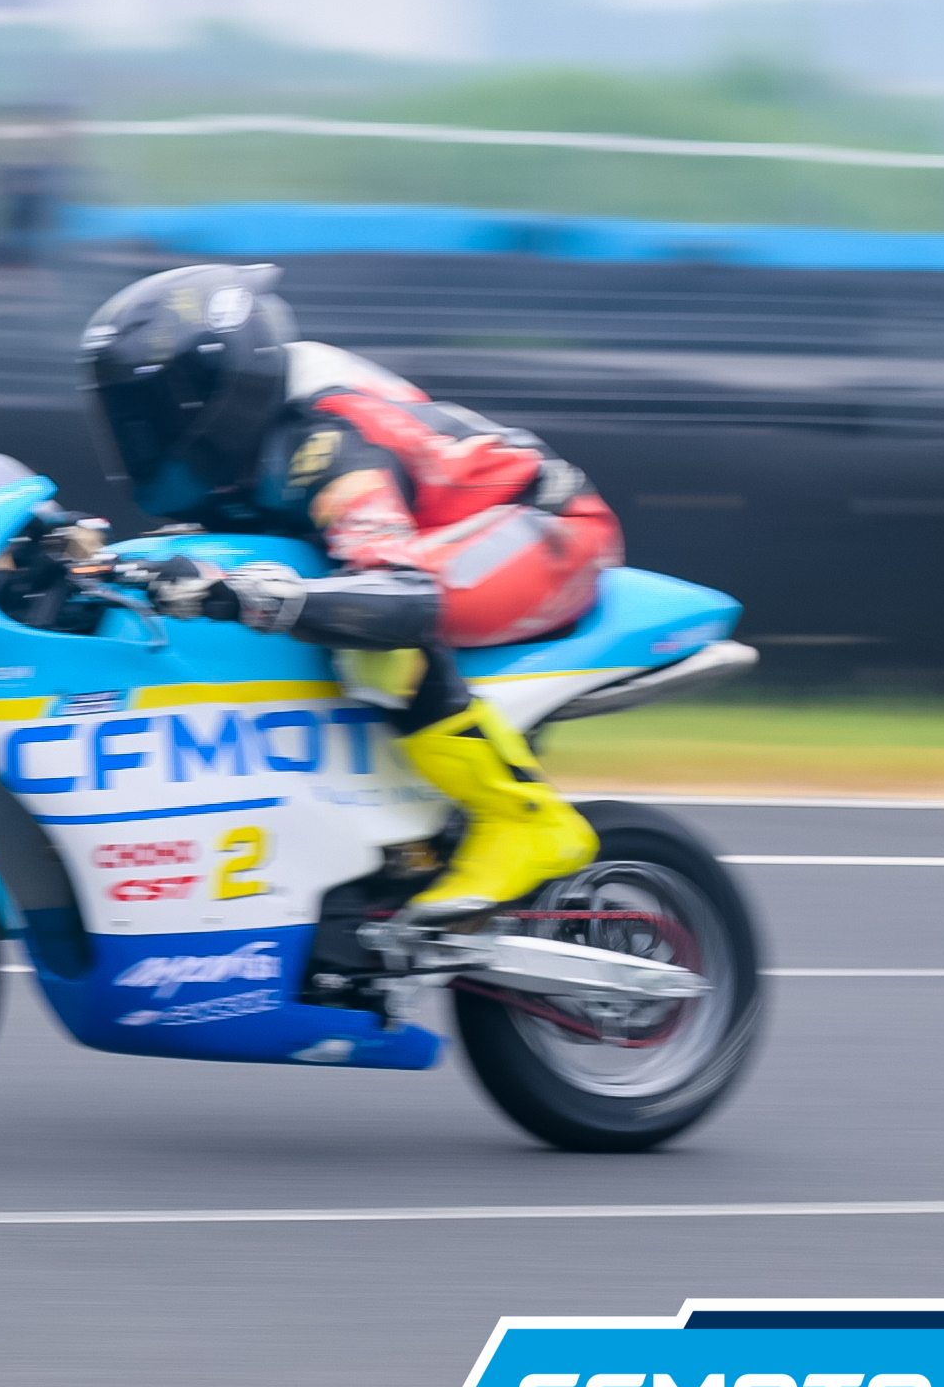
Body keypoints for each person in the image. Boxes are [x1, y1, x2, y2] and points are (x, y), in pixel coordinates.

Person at [79, 263, 620, 926]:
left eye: (158, 411)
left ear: (226, 385)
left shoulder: (326, 440)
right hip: (442, 528)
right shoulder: (247, 448)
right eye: (126, 418)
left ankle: (523, 818)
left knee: (374, 637)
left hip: (546, 527)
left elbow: (402, 594)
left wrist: (249, 598)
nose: (140, 436)